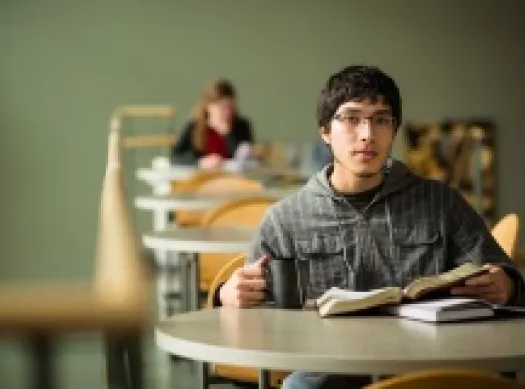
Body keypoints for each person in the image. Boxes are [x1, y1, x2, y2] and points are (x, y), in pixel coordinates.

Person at [212, 65, 525, 389]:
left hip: (426, 369)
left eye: (380, 120)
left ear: (394, 130)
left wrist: (508, 285)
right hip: (327, 371)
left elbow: (508, 281)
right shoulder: (284, 220)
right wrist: (227, 295)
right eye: (351, 118)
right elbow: (247, 322)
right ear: (325, 132)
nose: (367, 134)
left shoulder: (441, 203)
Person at [170, 79, 255, 169]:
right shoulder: (194, 125)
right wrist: (200, 162)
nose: (227, 112)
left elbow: (245, 157)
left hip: (232, 178)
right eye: (221, 107)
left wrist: (227, 133)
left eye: (229, 107)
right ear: (208, 106)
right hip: (203, 178)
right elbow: (175, 158)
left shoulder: (242, 125)